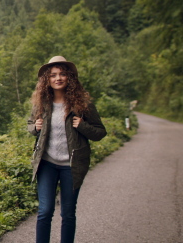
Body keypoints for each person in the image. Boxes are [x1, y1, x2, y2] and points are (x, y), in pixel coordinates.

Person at [27, 56, 107, 243]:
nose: (58, 78)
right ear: (47, 79)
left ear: (69, 77)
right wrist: (35, 127)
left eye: (62, 74)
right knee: (44, 211)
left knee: (68, 213)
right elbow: (31, 125)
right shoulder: (42, 103)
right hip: (46, 164)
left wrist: (82, 126)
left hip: (72, 166)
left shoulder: (82, 104)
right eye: (53, 75)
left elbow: (100, 132)